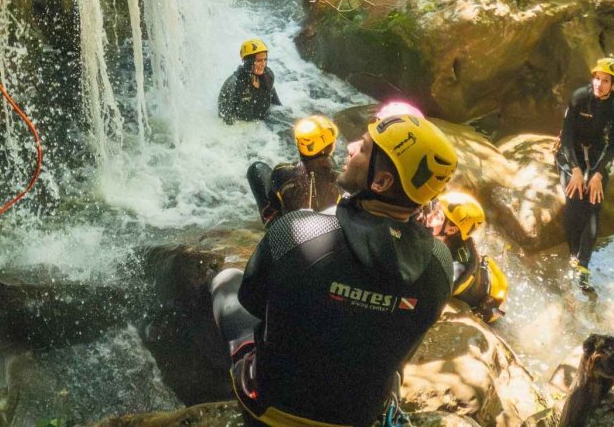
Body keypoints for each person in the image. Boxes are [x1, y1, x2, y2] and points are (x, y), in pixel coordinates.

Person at [210, 112, 459, 427]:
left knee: (226, 281)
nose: (351, 146)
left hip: (273, 408)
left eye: (365, 148)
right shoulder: (439, 263)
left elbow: (253, 301)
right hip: (359, 417)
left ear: (381, 182)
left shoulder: (297, 232)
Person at [557, 56, 614, 293]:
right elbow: (566, 137)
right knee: (574, 200)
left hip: (596, 152)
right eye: (596, 78)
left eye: (605, 80)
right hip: (571, 152)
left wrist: (597, 173)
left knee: (593, 203)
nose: (599, 84)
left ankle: (583, 266)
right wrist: (576, 170)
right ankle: (574, 255)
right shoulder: (579, 97)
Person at [425, 189, 508, 323]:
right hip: (483, 272)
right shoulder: (444, 231)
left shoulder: (458, 266)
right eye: (434, 210)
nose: (429, 216)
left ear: (451, 230)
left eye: (437, 216)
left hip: (488, 302)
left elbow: (430, 295)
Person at [248, 115, 341, 225]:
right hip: (328, 235)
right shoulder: (342, 179)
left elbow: (273, 200)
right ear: (330, 146)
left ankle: (272, 228)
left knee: (256, 169)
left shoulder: (281, 172)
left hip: (291, 233)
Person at [218, 38, 280, 123]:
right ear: (248, 62)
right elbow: (224, 118)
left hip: (264, 122)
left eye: (265, 60)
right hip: (243, 129)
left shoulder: (268, 75)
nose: (263, 64)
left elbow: (276, 102)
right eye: (258, 60)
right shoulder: (234, 84)